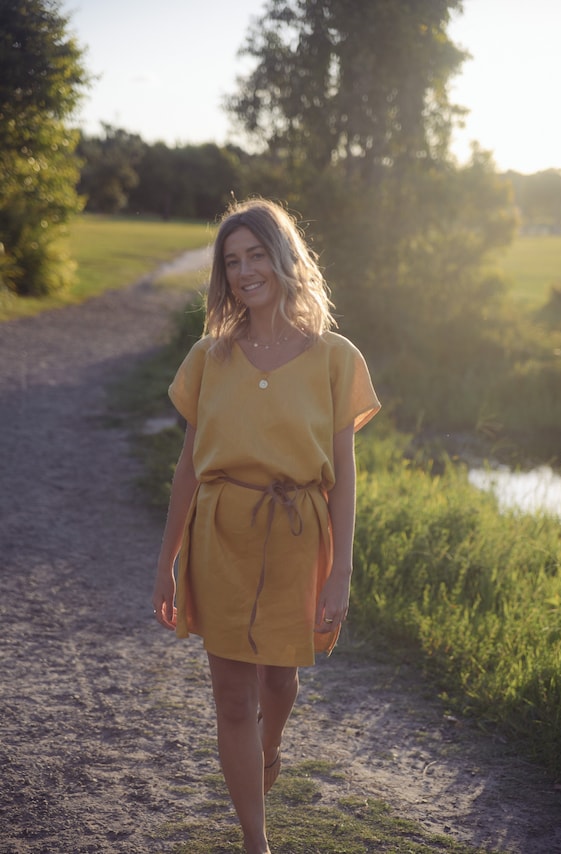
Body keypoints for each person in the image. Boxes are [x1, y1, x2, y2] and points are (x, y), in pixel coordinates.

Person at [151, 197, 380, 854]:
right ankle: (257, 841)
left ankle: (269, 747)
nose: (245, 270)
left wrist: (341, 572)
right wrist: (166, 558)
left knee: (278, 681)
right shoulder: (208, 358)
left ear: (284, 259)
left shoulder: (335, 358)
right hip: (219, 536)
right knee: (230, 695)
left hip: (298, 537)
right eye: (232, 261)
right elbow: (189, 468)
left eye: (256, 255)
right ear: (224, 277)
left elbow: (344, 474)